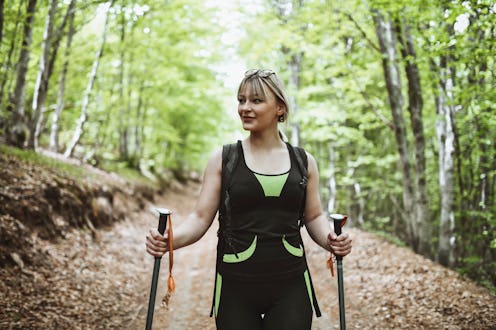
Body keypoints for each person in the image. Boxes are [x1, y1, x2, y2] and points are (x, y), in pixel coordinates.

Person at [146, 69, 352, 330]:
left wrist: (331, 241)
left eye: (256, 100)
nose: (245, 107)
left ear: (280, 107)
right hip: (235, 287)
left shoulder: (304, 161)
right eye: (241, 100)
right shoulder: (224, 159)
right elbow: (199, 218)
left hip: (291, 286)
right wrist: (169, 242)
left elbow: (313, 217)